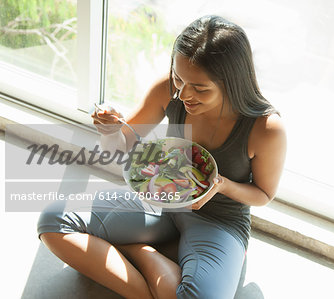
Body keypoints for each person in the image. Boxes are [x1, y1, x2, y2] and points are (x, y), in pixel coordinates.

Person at [37, 15, 286, 299]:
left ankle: (133, 250)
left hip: (220, 220)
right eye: (178, 79)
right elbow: (119, 147)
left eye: (200, 88)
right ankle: (143, 261)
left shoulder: (266, 128)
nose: (183, 94)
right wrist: (109, 130)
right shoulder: (167, 91)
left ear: (232, 82)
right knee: (54, 220)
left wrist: (221, 185)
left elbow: (264, 194)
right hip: (159, 201)